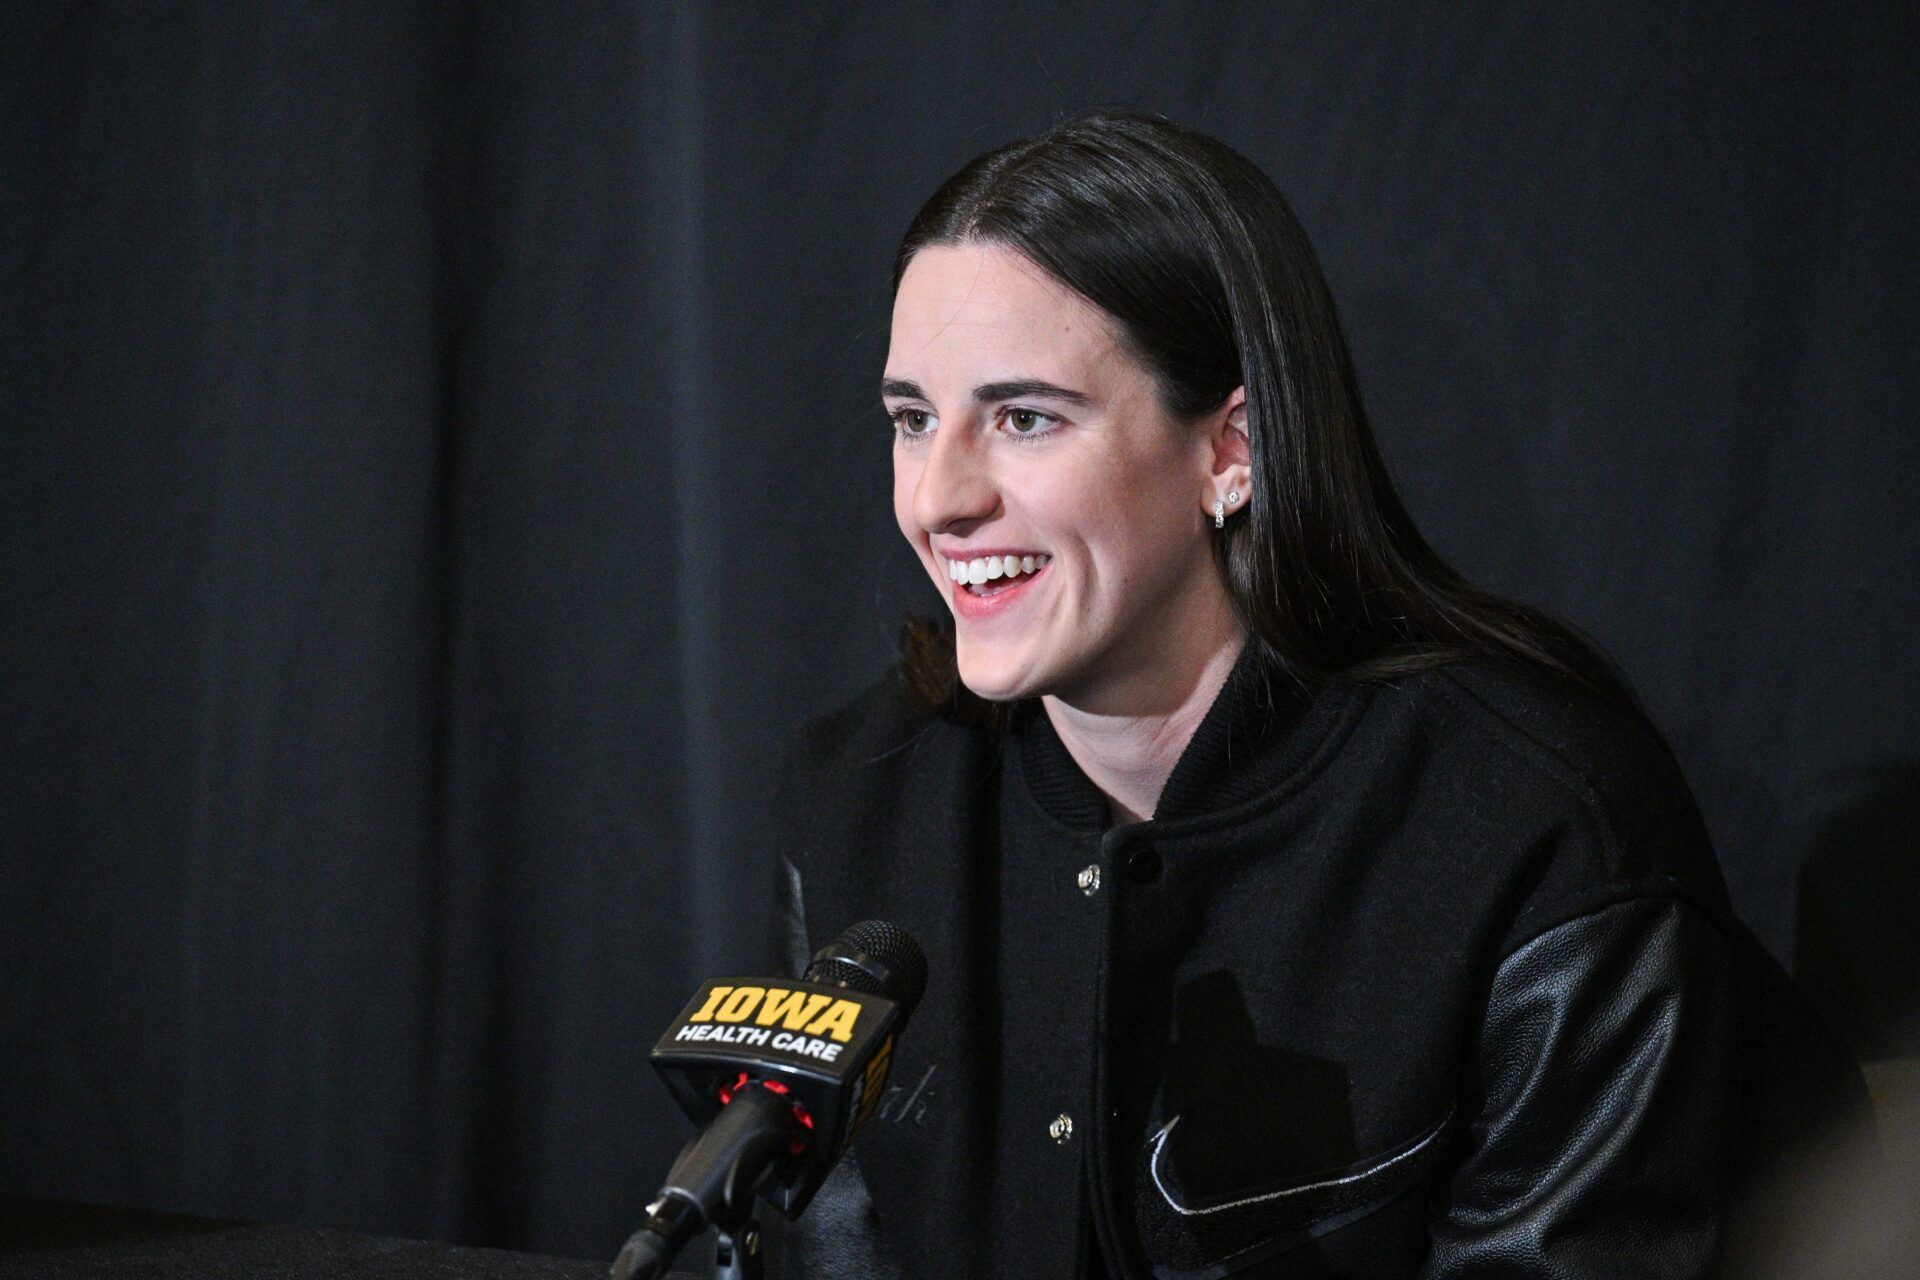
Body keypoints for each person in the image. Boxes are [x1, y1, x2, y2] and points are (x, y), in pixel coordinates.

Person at [761, 110, 1865, 1278]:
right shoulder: (853, 797)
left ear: (1231, 450)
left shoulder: (1541, 824)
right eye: (912, 419)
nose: (938, 497)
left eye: (1024, 416)